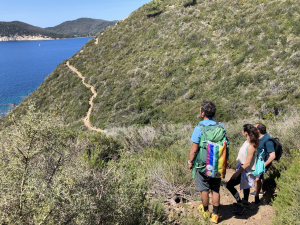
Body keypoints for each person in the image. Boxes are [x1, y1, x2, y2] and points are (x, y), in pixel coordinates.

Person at [188, 101, 226, 224]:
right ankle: (215, 215)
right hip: (217, 163)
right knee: (215, 189)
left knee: (204, 189)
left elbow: (194, 150)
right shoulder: (221, 126)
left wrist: (190, 162)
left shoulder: (199, 128)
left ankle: (205, 211)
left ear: (203, 113)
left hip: (203, 165)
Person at [226, 124, 259, 215]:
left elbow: (247, 163)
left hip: (245, 170)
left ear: (246, 133)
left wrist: (238, 172)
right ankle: (245, 202)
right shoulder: (247, 142)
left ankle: (240, 203)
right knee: (246, 186)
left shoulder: (251, 146)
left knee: (229, 185)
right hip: (242, 168)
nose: (241, 131)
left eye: (242, 130)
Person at [250, 123, 275, 204]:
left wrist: (264, 165)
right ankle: (260, 190)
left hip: (264, 162)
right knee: (259, 176)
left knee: (257, 178)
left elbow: (272, 155)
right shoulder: (259, 138)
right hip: (258, 161)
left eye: (254, 129)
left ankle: (257, 196)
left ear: (258, 130)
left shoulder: (268, 140)